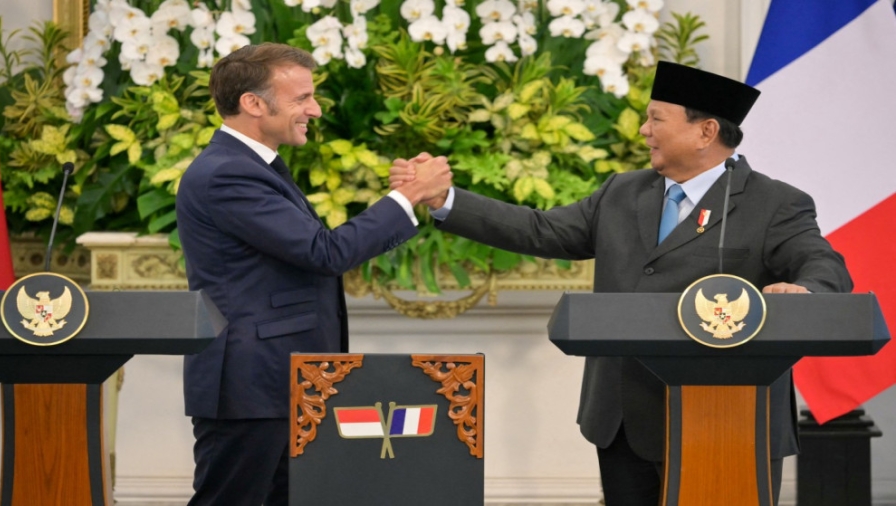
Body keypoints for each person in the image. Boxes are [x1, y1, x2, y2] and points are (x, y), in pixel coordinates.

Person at [390, 61, 852, 506]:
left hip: (728, 421)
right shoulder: (621, 192)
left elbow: (823, 265)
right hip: (622, 417)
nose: (644, 130)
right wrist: (444, 198)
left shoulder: (774, 203)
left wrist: (804, 293)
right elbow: (540, 230)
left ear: (706, 131)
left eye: (656, 119)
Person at [175, 42, 452, 506]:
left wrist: (406, 196)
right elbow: (324, 253)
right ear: (253, 103)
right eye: (302, 98)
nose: (315, 109)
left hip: (283, 380)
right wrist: (408, 197)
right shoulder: (227, 174)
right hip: (252, 384)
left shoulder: (251, 166)